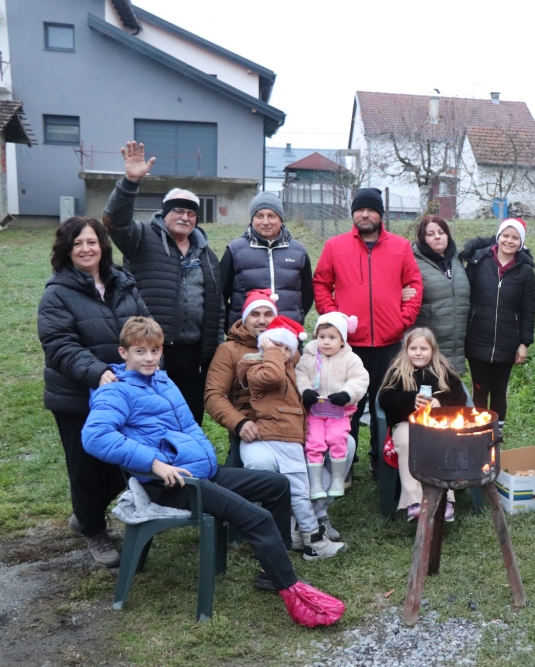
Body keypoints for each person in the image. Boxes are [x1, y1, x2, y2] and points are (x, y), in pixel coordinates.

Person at [81, 316, 344, 627]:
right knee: (257, 518)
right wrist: (155, 464)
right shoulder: (115, 390)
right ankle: (290, 588)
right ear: (123, 353)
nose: (149, 359)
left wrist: (203, 456)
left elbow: (188, 425)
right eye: (140, 352)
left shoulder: (162, 381)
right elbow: (95, 436)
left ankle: (270, 572)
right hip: (173, 484)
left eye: (154, 351)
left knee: (276, 485)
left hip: (200, 472)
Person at [38, 216, 149, 567]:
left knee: (120, 462)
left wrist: (150, 358)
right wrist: (97, 372)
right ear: (66, 250)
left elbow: (144, 327)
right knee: (85, 466)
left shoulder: (123, 283)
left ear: (102, 245)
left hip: (123, 392)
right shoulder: (57, 293)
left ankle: (86, 513)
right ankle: (93, 529)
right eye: (77, 244)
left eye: (91, 242)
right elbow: (59, 344)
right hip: (77, 396)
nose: (86, 249)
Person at [204, 290, 351, 547]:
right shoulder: (230, 350)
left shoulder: (290, 347)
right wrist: (239, 422)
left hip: (295, 425)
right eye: (255, 314)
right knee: (261, 463)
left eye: (268, 314)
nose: (262, 320)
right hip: (257, 429)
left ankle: (316, 514)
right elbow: (213, 395)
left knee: (346, 445)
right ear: (245, 319)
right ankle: (266, 519)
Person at [103, 141, 223, 424]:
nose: (185, 217)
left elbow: (216, 306)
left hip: (194, 355)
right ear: (164, 213)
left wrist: (214, 349)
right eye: (178, 211)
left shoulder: (207, 254)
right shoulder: (141, 238)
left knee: (189, 417)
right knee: (152, 419)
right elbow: (114, 222)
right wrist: (130, 182)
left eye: (191, 213)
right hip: (151, 350)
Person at [312, 187, 424, 477]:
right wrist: (334, 319)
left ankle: (381, 460)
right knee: (346, 404)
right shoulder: (335, 247)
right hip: (349, 346)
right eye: (359, 210)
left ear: (380, 214)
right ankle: (344, 464)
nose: (364, 215)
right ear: (353, 214)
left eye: (371, 210)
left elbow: (414, 284)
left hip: (389, 343)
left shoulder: (400, 246)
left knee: (383, 404)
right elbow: (321, 284)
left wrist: (403, 320)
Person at [237, 315, 346, 559]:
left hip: (293, 436)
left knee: (319, 483)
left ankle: (296, 532)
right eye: (276, 345)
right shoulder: (255, 368)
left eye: (286, 348)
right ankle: (314, 543)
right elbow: (272, 377)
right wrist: (270, 349)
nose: (281, 352)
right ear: (265, 345)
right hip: (279, 436)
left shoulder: (289, 369)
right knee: (299, 490)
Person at [378, 328, 466, 522]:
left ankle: (445, 499)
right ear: (406, 349)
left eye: (423, 349)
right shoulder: (397, 371)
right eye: (413, 348)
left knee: (444, 443)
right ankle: (414, 502)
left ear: (433, 350)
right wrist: (410, 401)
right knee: (406, 441)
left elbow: (460, 397)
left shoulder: (443, 370)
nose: (418, 353)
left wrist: (441, 401)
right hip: (407, 423)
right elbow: (385, 399)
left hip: (439, 424)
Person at [460, 218, 535, 432]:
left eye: (515, 238)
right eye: (505, 235)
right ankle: (479, 428)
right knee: (479, 388)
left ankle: (497, 430)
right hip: (477, 336)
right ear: (498, 236)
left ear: (521, 242)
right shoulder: (478, 262)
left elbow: (528, 310)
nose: (509, 241)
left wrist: (524, 342)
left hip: (507, 340)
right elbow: (464, 296)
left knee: (499, 390)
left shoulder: (526, 272)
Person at [295, 312, 369, 499]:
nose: (326, 342)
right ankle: (315, 483)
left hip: (339, 412)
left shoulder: (350, 359)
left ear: (342, 340)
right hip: (315, 411)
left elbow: (360, 379)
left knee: (337, 438)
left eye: (332, 337)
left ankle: (338, 478)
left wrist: (347, 394)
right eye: (322, 337)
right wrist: (305, 391)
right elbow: (300, 375)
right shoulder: (309, 357)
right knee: (314, 441)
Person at [220, 191, 313, 329]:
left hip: (287, 333)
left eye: (271, 216)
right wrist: (235, 325)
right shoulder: (235, 250)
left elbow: (307, 295)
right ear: (252, 219)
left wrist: (294, 319)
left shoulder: (298, 251)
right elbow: (219, 294)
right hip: (247, 334)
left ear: (281, 219)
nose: (265, 222)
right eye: (259, 216)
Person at [411, 215, 470, 372]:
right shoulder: (413, 262)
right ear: (423, 238)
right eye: (430, 234)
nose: (437, 237)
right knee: (428, 385)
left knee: (450, 384)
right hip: (427, 343)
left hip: (456, 345)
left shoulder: (457, 259)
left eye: (441, 232)